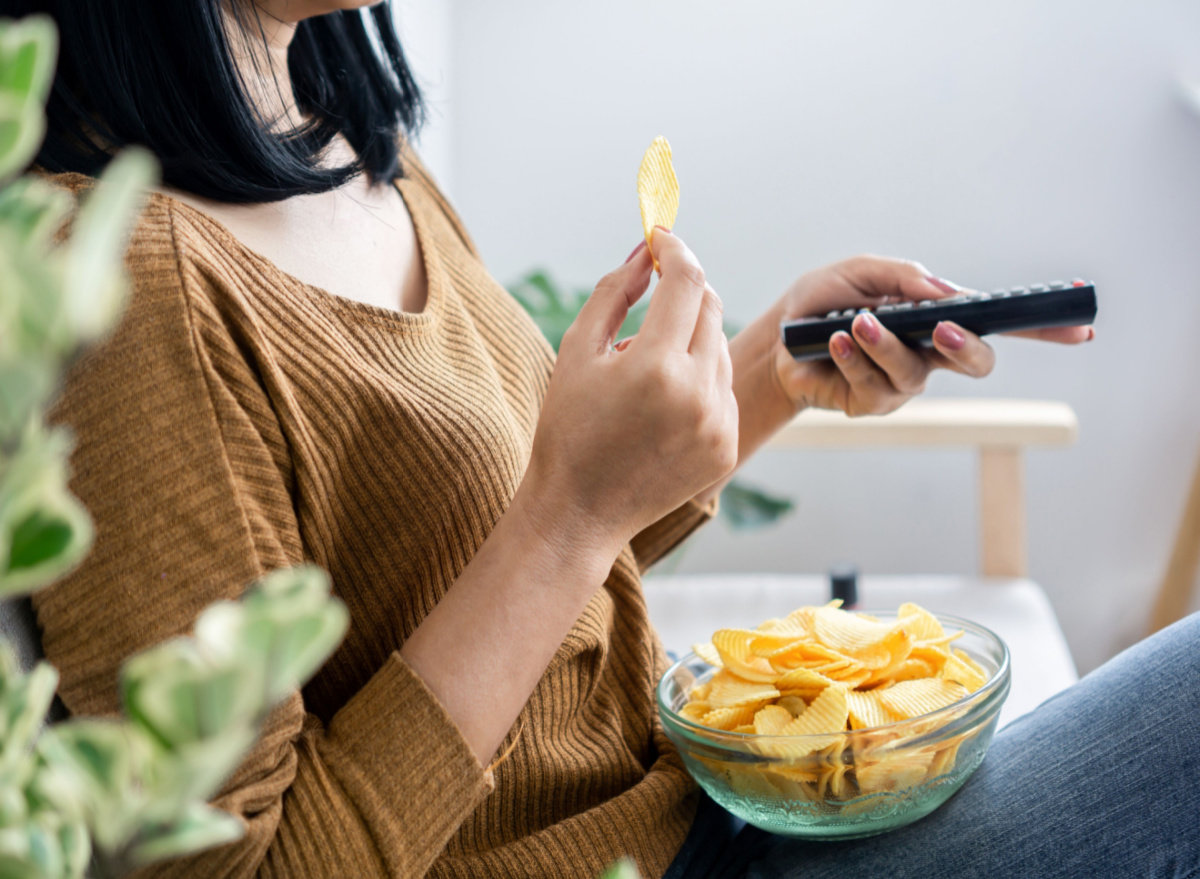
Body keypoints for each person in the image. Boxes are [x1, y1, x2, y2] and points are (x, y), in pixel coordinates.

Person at [18, 1, 1196, 877]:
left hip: (703, 818)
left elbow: (510, 564)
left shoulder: (336, 131)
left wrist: (772, 373)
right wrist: (568, 519)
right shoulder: (126, 291)